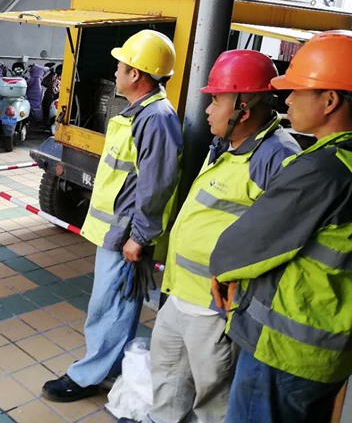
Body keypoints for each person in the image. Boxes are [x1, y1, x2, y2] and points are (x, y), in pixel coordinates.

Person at [122, 51, 300, 423]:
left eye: (216, 99)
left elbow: (279, 241)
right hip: (180, 293)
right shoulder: (225, 144)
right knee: (168, 378)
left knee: (214, 398)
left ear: (243, 109)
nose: (207, 109)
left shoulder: (276, 158)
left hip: (216, 308)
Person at [210, 32, 352, 423]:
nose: (286, 100)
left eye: (297, 91)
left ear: (329, 100)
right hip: (329, 351)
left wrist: (222, 269)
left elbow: (246, 245)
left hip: (284, 351)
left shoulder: (321, 170)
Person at [42, 30, 183, 402]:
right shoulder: (142, 113)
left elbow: (157, 184)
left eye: (120, 67)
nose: (115, 73)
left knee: (110, 307)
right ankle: (110, 367)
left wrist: (139, 237)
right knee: (111, 304)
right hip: (117, 232)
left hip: (126, 235)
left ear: (136, 74)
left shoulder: (155, 119)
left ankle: (90, 376)